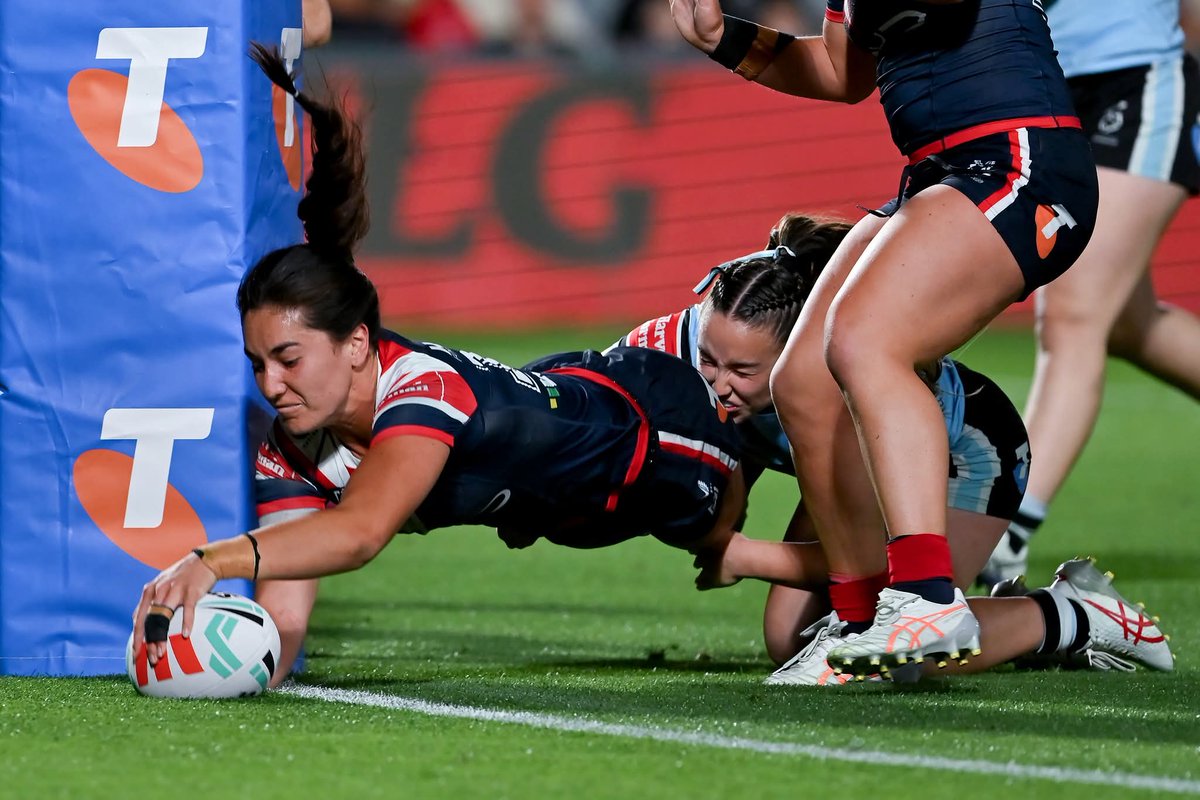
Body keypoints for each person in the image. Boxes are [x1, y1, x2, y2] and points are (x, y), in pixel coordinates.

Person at [131, 44, 745, 684]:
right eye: (257, 364)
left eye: (287, 359)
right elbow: (285, 609)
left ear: (358, 344)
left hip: (661, 435)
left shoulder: (422, 389)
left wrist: (210, 560)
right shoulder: (288, 449)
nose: (270, 384)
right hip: (573, 507)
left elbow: (361, 531)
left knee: (750, 551)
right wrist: (228, 674)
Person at [671, 0, 1102, 675]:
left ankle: (928, 596)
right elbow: (843, 73)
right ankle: (858, 613)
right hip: (942, 175)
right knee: (801, 378)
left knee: (865, 343)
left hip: (1018, 161)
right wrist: (728, 38)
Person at [617, 213, 1173, 684]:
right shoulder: (675, 350)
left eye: (742, 370)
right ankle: (1006, 615)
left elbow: (857, 561)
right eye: (709, 357)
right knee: (790, 638)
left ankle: (1069, 615)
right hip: (848, 459)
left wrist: (737, 553)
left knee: (905, 649)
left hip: (972, 455)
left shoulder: (826, 391)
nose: (716, 383)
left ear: (796, 359)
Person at [981, 0, 1200, 587]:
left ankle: (1006, 533)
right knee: (1126, 322)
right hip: (1050, 88)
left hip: (1137, 77)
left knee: (1074, 316)